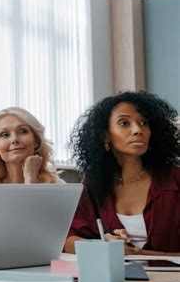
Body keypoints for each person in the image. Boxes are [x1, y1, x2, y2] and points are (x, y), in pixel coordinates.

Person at [65, 91, 180, 255]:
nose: (138, 129)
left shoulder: (175, 178)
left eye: (143, 122)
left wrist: (140, 255)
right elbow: (68, 240)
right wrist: (103, 245)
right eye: (124, 123)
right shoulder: (93, 184)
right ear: (105, 135)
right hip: (117, 278)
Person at [0, 107, 62, 206]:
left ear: (36, 142)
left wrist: (30, 179)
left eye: (23, 131)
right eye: (5, 134)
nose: (14, 139)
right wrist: (30, 182)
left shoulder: (56, 185)